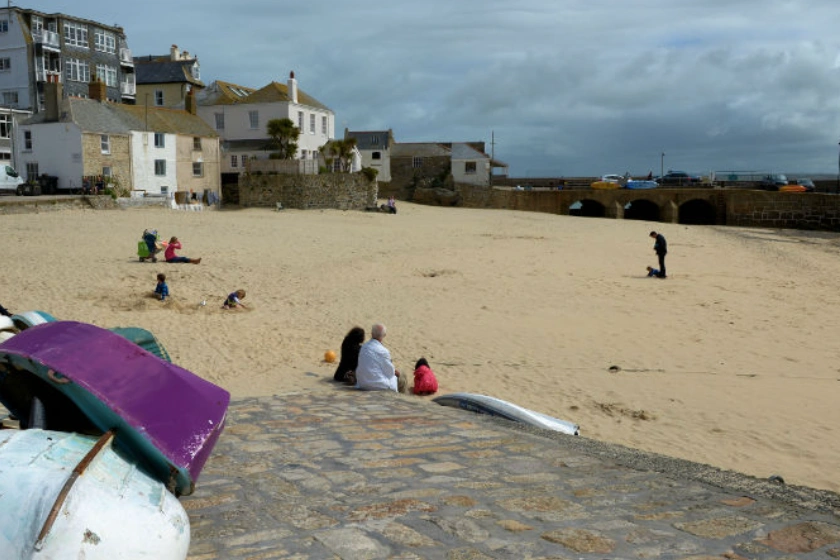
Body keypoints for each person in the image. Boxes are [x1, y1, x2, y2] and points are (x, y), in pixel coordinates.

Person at [355, 323, 407, 393]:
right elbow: (390, 372)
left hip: (361, 383)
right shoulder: (383, 351)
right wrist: (395, 372)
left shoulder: (363, 347)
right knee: (401, 377)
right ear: (384, 335)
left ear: (372, 334)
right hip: (378, 385)